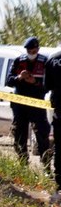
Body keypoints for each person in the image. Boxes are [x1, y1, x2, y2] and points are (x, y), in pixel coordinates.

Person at [5, 36, 50, 167]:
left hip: (37, 103)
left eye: (33, 51)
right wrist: (19, 77)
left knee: (42, 134)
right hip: (20, 105)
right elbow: (8, 80)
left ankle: (46, 166)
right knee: (19, 134)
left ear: (38, 49)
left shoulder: (45, 62)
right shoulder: (19, 61)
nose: (31, 53)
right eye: (29, 51)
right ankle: (23, 164)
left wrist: (35, 82)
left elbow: (49, 85)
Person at [44, 48, 61, 192]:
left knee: (59, 147)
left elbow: (47, 85)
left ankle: (59, 182)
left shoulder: (52, 58)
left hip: (59, 112)